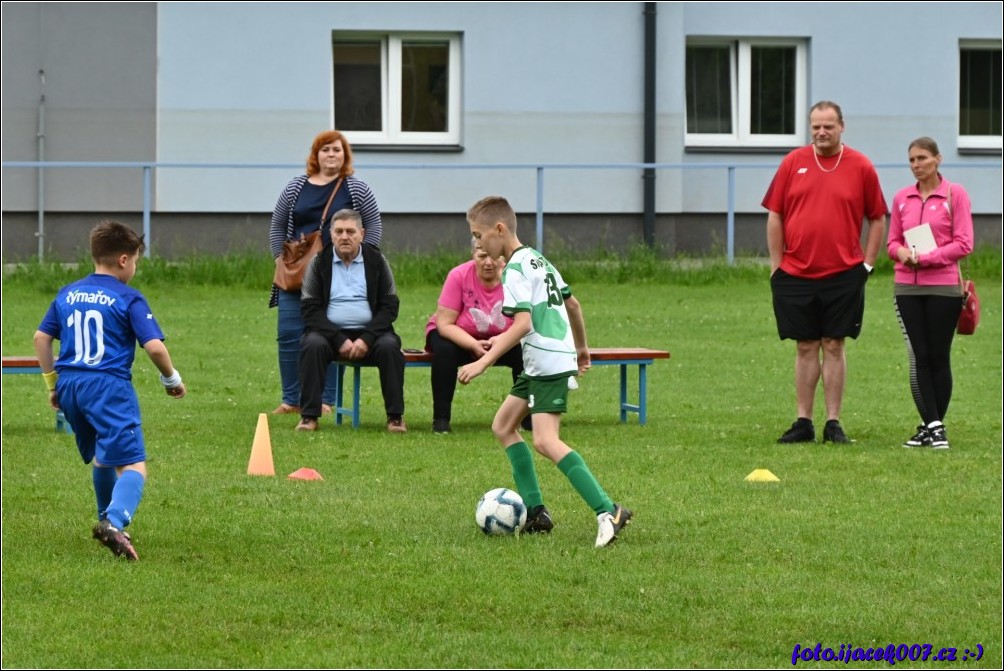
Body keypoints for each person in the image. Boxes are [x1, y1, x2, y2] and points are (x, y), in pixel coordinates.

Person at [458, 196, 631, 548]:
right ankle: (537, 512)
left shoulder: (517, 268)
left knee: (544, 440)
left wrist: (482, 362)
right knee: (503, 426)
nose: (477, 244)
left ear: (500, 229)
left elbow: (522, 324)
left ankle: (608, 510)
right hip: (549, 358)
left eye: (479, 235)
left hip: (546, 361)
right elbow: (572, 303)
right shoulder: (538, 259)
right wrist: (581, 348)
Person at [32, 220, 187, 561]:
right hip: (108, 387)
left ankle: (106, 519)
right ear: (122, 260)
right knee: (133, 464)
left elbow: (41, 338)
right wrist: (171, 379)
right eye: (135, 262)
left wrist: (52, 384)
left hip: (71, 384)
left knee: (104, 456)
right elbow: (155, 348)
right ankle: (114, 522)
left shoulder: (68, 293)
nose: (134, 268)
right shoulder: (127, 297)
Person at [763, 100, 888, 445]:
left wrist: (867, 263)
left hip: (844, 273)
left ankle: (833, 422)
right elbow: (775, 215)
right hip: (795, 273)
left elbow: (877, 217)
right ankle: (803, 420)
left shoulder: (860, 165)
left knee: (834, 344)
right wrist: (776, 266)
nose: (821, 132)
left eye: (828, 126)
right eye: (816, 126)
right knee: (805, 345)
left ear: (842, 127)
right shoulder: (793, 163)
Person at [268, 130, 383, 416]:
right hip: (296, 274)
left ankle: (326, 399)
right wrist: (279, 259)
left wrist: (358, 262)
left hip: (338, 275)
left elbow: (374, 227)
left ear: (345, 156)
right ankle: (291, 398)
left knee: (331, 334)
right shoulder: (295, 187)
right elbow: (277, 225)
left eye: (337, 150)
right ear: (315, 155)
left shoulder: (356, 189)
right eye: (326, 150)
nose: (331, 155)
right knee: (289, 335)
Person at [887, 137, 973, 449]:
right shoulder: (901, 198)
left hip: (944, 286)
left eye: (922, 158)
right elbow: (891, 242)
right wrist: (901, 254)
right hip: (907, 288)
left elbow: (964, 243)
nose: (916, 165)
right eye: (911, 160)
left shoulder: (955, 194)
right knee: (919, 356)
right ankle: (935, 427)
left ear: (937, 159)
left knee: (938, 356)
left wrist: (926, 258)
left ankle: (931, 426)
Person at [295, 209, 406, 433]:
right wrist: (338, 339)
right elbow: (310, 309)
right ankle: (309, 417)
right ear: (331, 235)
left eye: (350, 231)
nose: (344, 236)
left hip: (372, 333)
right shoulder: (317, 263)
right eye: (339, 231)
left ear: (362, 234)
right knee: (312, 345)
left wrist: (366, 338)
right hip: (328, 333)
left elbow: (389, 306)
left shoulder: (377, 261)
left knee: (390, 347)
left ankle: (395, 417)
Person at [424, 238, 530, 434]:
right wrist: (472, 344)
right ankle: (441, 420)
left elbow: (523, 323)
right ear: (473, 255)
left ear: (503, 259)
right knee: (444, 350)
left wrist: (502, 341)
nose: (488, 262)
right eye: (482, 256)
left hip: (502, 338)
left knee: (527, 350)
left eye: (493, 257)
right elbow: (444, 324)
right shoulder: (458, 275)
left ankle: (528, 417)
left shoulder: (514, 278)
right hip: (458, 336)